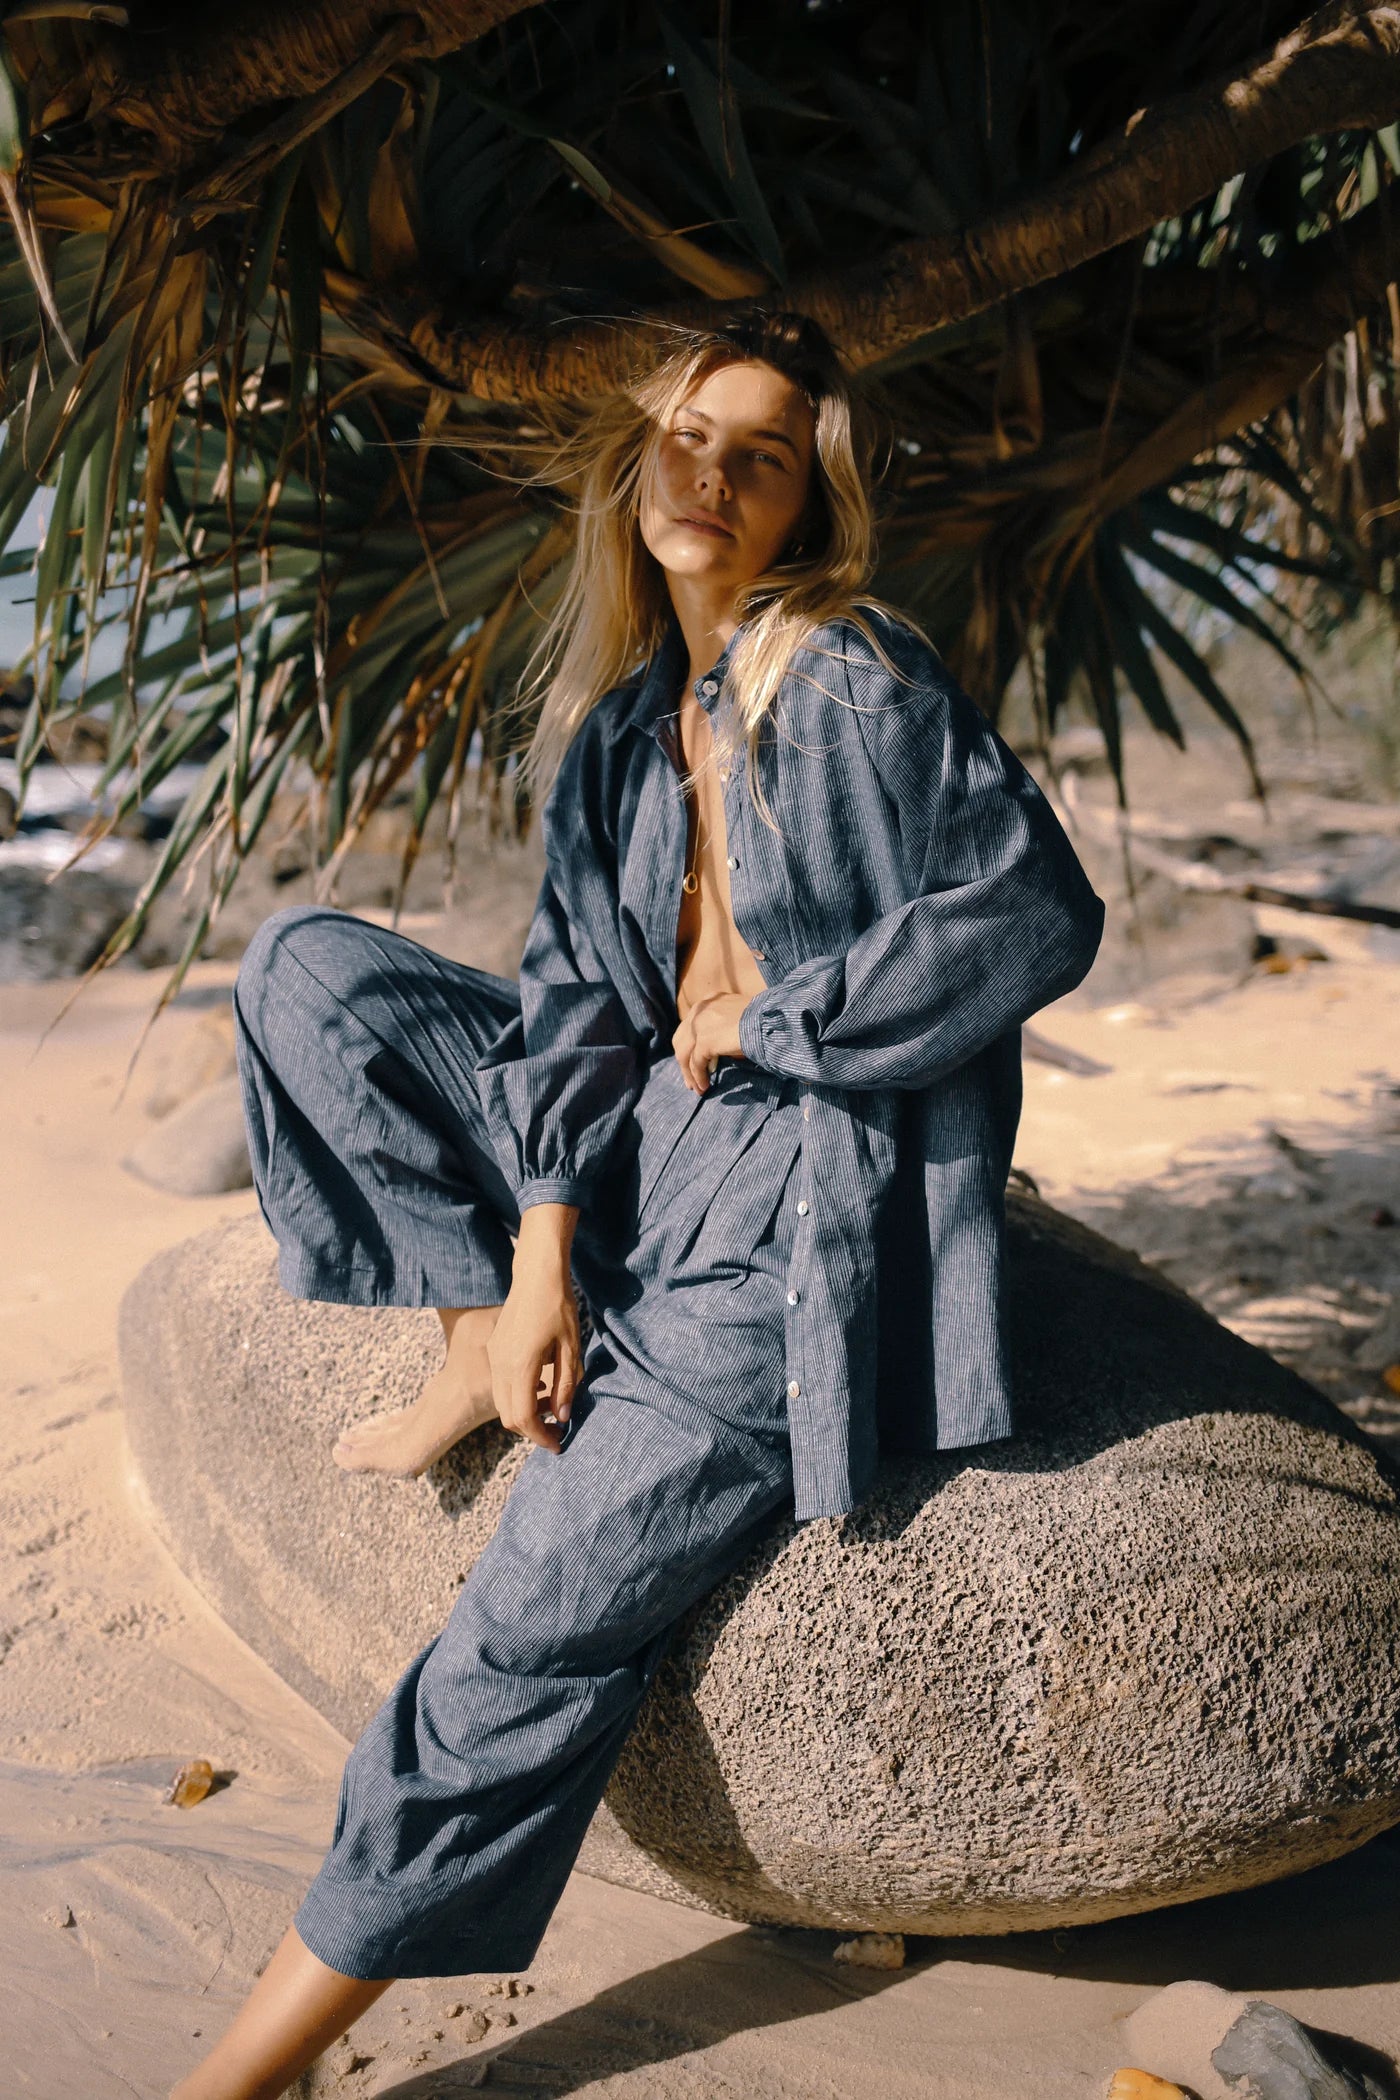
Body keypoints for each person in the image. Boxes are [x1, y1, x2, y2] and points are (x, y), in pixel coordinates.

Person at [174, 308, 1104, 2099]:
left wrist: (784, 1020)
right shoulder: (621, 732)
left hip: (785, 1206)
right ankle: (474, 1339)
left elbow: (1034, 907)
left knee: (521, 1631)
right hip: (638, 1159)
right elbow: (568, 1012)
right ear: (635, 462)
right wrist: (534, 1258)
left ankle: (240, 2077)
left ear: (808, 503)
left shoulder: (846, 679)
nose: (711, 473)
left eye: (760, 455)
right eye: (686, 435)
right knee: (308, 973)